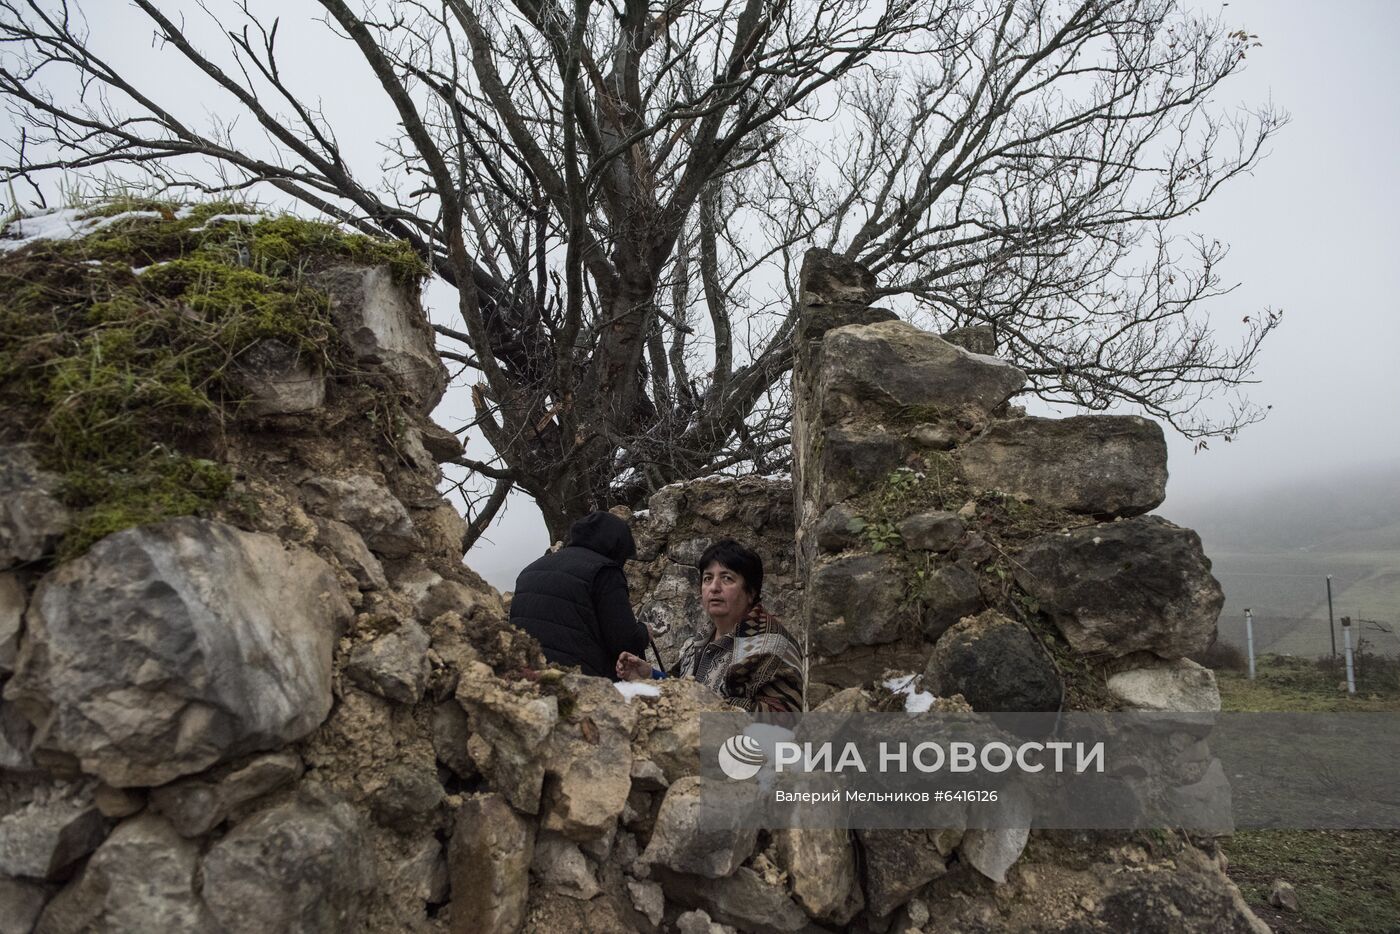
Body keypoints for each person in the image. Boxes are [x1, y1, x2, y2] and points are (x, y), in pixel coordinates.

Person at [616, 539, 803, 713]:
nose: (714, 587)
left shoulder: (772, 647)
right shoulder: (703, 639)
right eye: (707, 578)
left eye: (727, 578)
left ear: (751, 592)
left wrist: (706, 703)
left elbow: (784, 721)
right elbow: (684, 690)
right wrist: (649, 676)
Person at [510, 510, 648, 680]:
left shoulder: (529, 570)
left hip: (528, 677)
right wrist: (644, 632)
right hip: (582, 682)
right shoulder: (604, 572)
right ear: (617, 546)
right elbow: (625, 643)